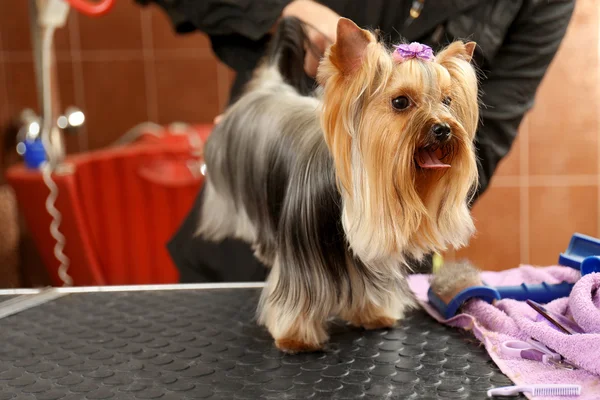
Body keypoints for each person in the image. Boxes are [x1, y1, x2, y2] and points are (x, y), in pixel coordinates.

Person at [136, 0, 575, 283]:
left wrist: (398, 201)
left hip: (390, 260)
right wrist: (282, 8)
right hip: (249, 242)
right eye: (403, 103)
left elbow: (486, 136)